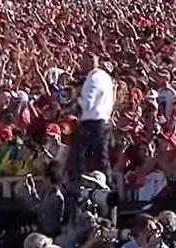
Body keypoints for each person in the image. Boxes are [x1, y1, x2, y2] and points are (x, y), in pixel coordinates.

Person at [70, 53, 114, 183]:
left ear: (89, 62)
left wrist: (75, 103)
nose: (80, 66)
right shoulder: (106, 77)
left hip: (91, 124)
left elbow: (87, 103)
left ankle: (78, 190)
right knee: (102, 160)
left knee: (79, 159)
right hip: (105, 122)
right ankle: (108, 190)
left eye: (82, 62)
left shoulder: (93, 78)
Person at [26, 161, 66, 237]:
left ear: (48, 179)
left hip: (49, 234)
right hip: (44, 231)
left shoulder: (56, 197)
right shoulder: (49, 194)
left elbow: (39, 210)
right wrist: (32, 189)